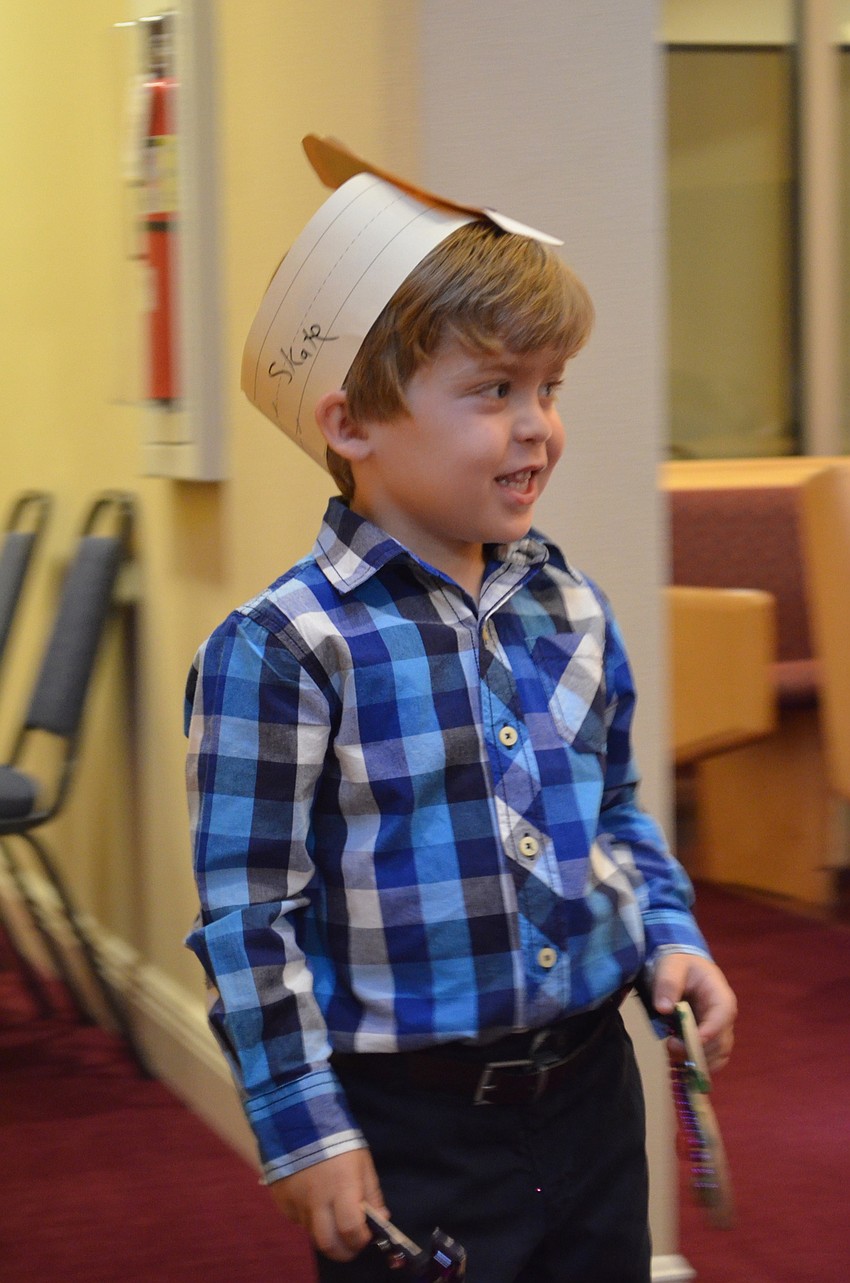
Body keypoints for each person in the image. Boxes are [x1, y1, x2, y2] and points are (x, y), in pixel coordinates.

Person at [185, 136, 736, 1283]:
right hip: (411, 1122)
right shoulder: (283, 649)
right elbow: (249, 918)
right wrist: (302, 1124)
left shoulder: (567, 604)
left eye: (549, 388)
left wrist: (667, 938)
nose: (536, 424)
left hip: (589, 1091)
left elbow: (616, 811)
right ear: (352, 424)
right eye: (493, 390)